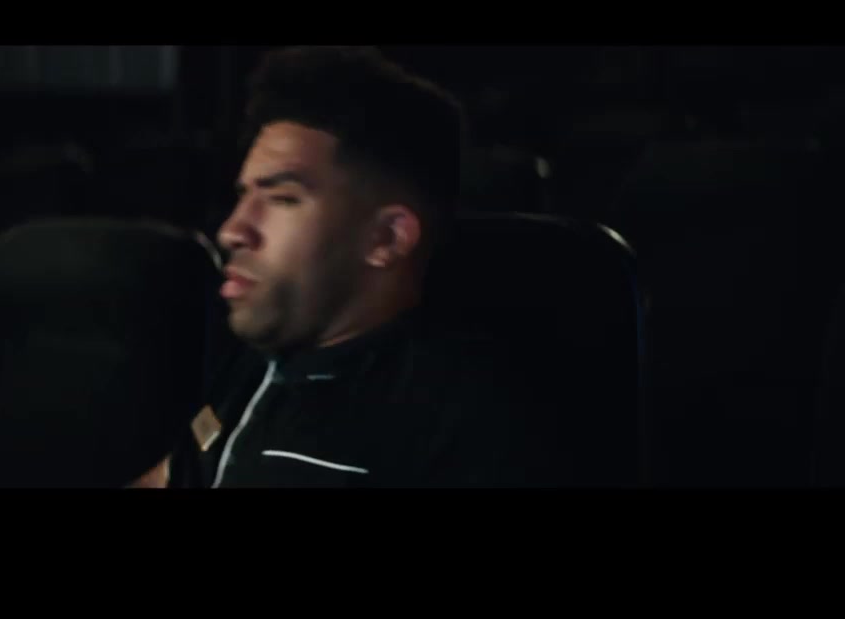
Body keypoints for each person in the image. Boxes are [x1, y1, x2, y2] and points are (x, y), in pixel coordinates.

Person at [171, 46, 570, 488]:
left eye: (282, 199)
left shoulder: (466, 420)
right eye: (244, 195)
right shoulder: (252, 359)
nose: (232, 231)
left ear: (387, 238)